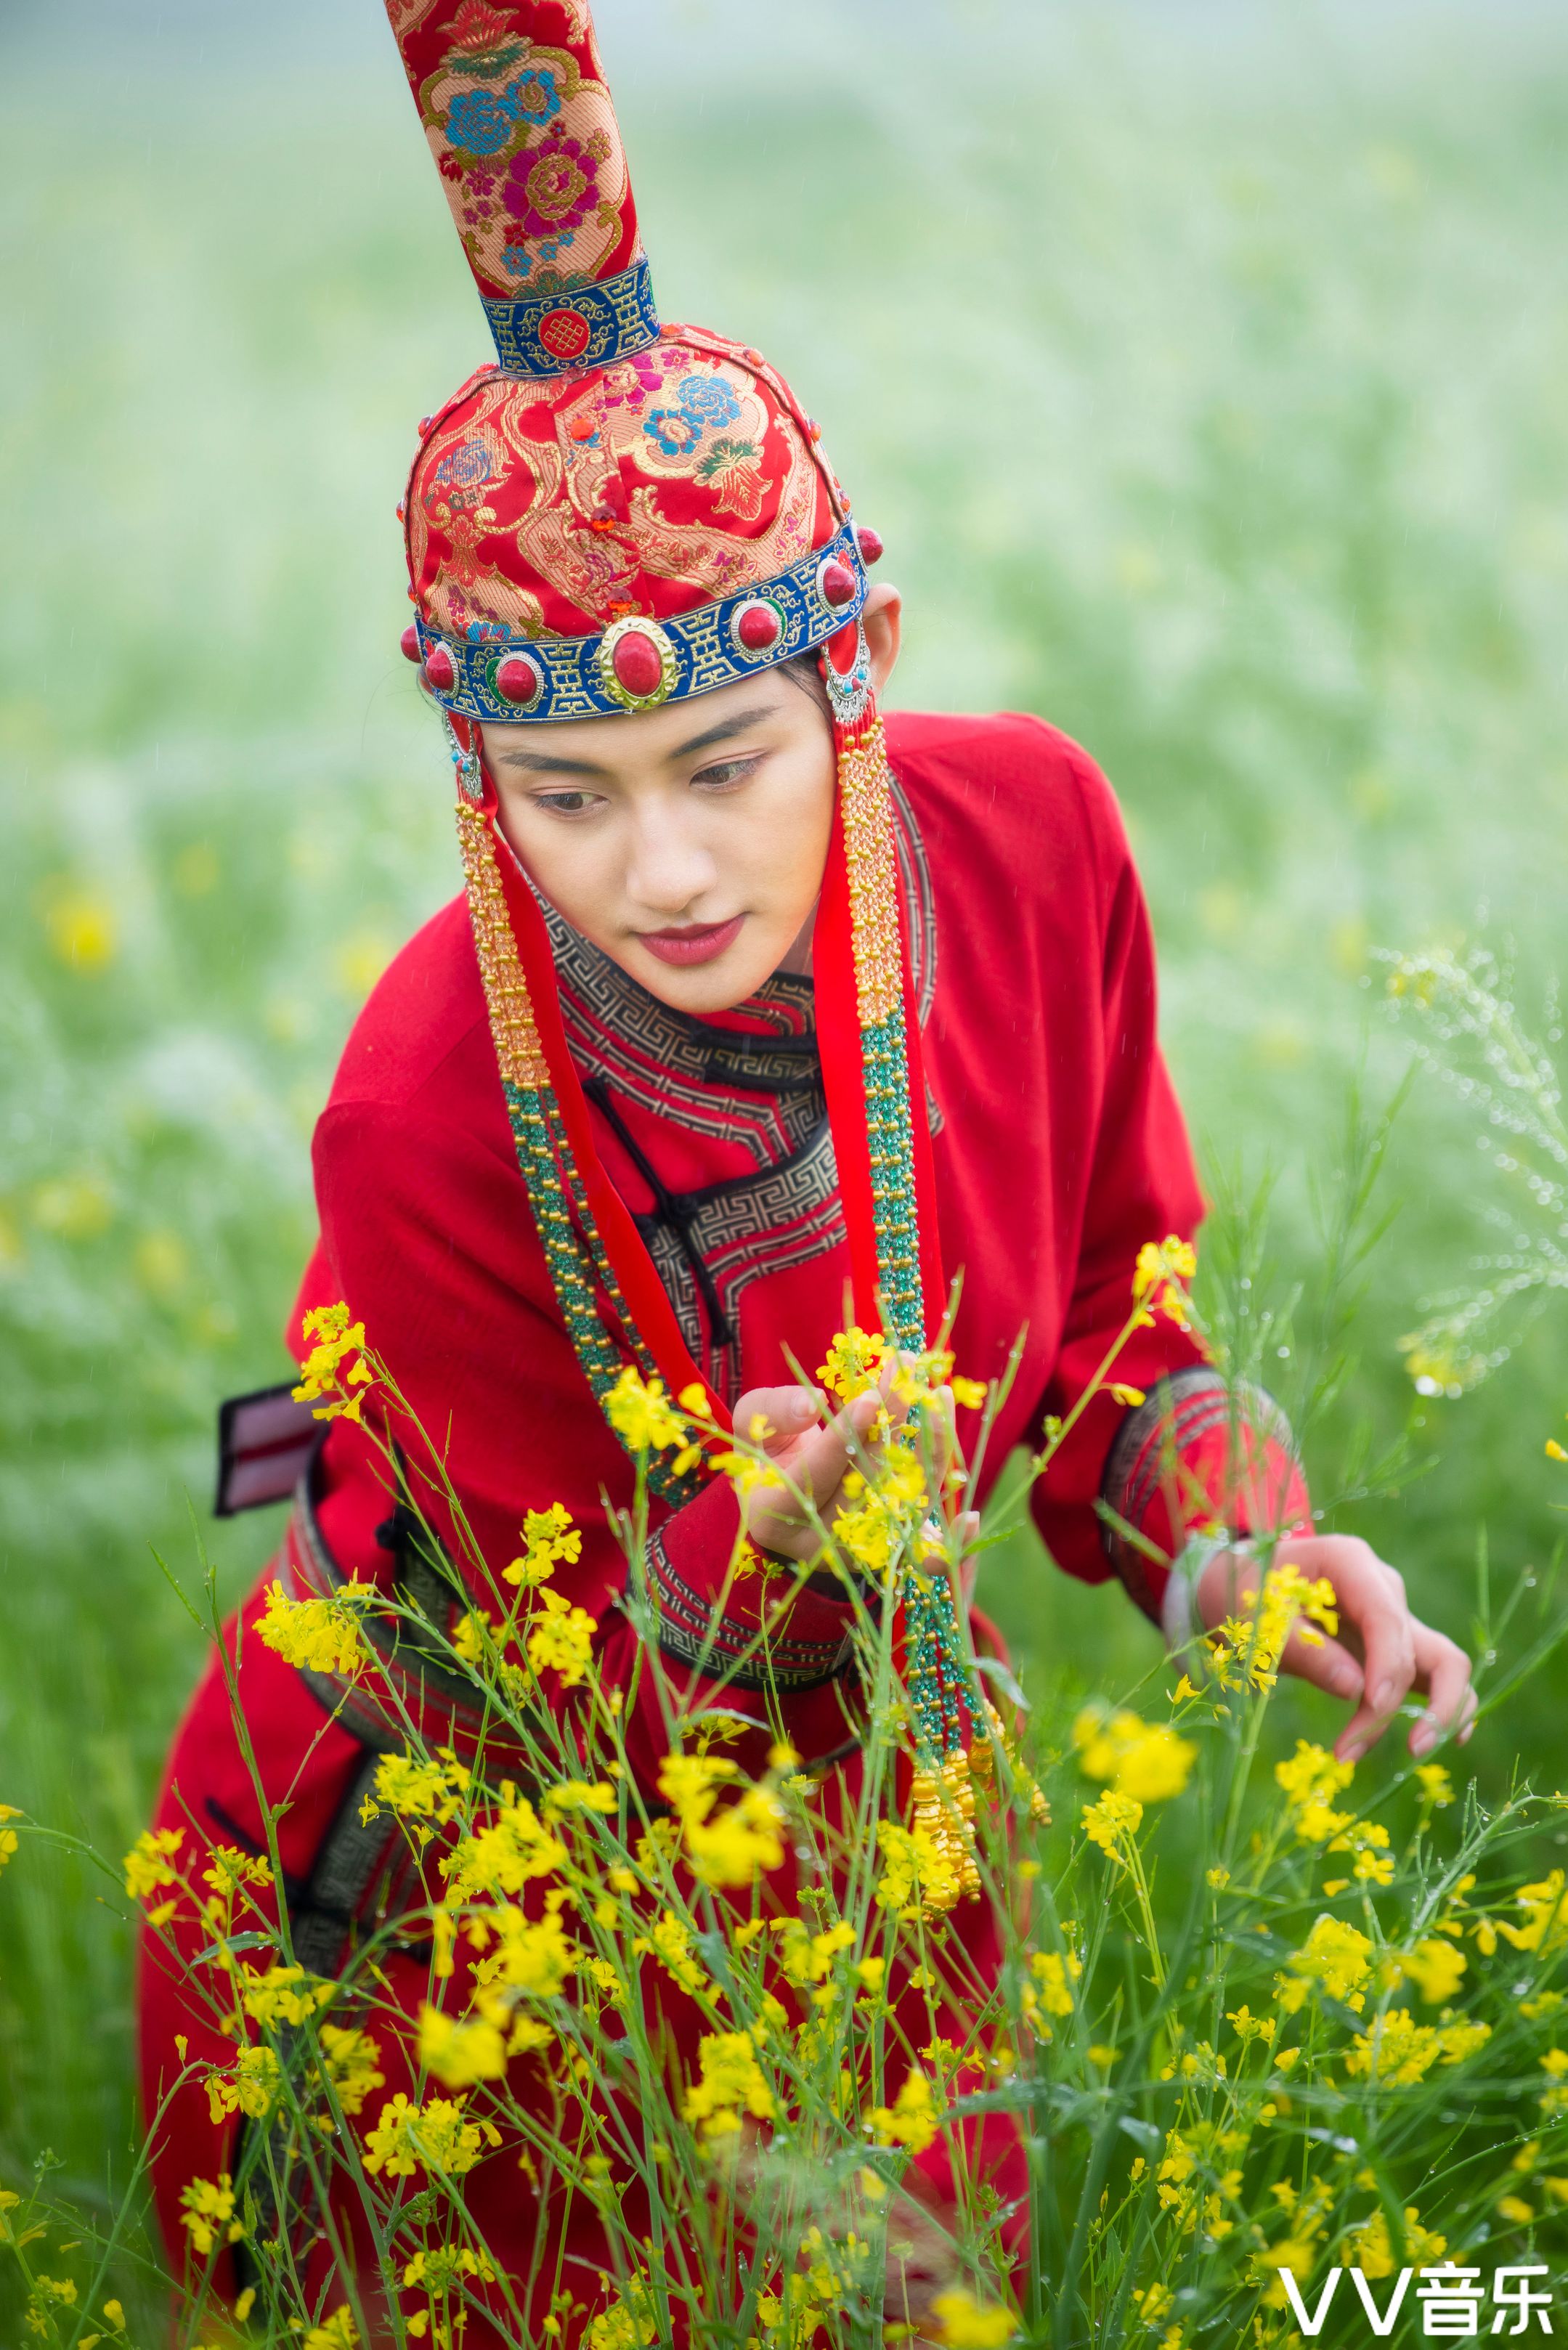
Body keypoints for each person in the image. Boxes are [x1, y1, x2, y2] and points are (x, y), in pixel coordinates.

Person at [137, 1, 1475, 2337]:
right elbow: (530, 1666)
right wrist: (742, 1557)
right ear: (480, 779)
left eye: (726, 759)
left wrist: (1238, 1553)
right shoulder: (432, 1098)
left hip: (881, 1838)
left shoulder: (1032, 840)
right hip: (482, 1903)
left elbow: (1109, 1311)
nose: (661, 866)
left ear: (859, 661)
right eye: (568, 797)